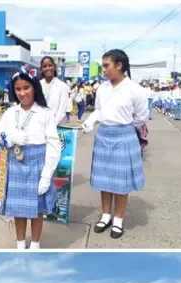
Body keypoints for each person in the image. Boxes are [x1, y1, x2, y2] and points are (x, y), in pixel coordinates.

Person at [82, 49, 149, 239]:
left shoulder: (135, 90)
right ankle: (105, 216)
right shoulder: (103, 88)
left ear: (119, 65)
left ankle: (118, 220)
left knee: (121, 182)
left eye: (106, 65)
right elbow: (99, 110)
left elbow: (141, 117)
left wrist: (124, 127)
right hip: (104, 134)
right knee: (104, 180)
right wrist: (90, 121)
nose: (103, 70)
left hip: (124, 135)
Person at [0, 68, 59, 249]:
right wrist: (10, 138)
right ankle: (21, 245)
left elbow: (54, 145)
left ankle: (36, 244)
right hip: (15, 164)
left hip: (36, 164)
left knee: (36, 210)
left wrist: (46, 176)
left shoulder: (45, 113)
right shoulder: (10, 112)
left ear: (34, 88)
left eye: (26, 88)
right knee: (18, 209)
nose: (22, 93)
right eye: (18, 89)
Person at [39, 56, 71, 125]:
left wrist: (51, 125)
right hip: (39, 125)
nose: (47, 68)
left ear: (55, 67)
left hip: (55, 125)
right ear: (41, 69)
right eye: (44, 66)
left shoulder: (62, 86)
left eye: (50, 65)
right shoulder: (38, 85)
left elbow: (62, 110)